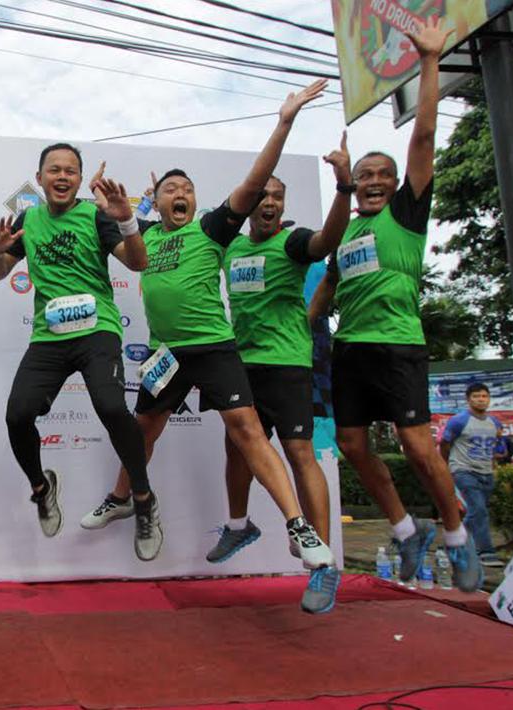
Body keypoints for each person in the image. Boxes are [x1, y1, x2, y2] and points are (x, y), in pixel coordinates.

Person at [89, 80, 337, 607]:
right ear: (154, 200)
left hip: (215, 347)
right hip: (166, 353)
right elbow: (127, 239)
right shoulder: (146, 237)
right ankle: (122, 498)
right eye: (169, 189)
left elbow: (252, 182)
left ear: (197, 200)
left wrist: (285, 121)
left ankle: (301, 529)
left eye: (187, 189)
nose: (180, 194)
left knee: (247, 431)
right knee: (143, 430)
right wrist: (126, 210)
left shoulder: (213, 229)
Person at [308, 18, 481, 593]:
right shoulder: (348, 235)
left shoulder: (406, 214)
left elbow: (424, 140)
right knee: (353, 445)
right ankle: (407, 531)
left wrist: (430, 61)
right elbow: (325, 294)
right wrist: (301, 330)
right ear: (353, 186)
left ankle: (457, 535)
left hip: (400, 347)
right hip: (353, 352)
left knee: (415, 444)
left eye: (383, 175)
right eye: (365, 177)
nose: (375, 182)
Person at [202, 132, 353, 614]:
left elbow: (328, 240)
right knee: (237, 447)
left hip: (287, 363)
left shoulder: (293, 240)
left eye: (277, 197)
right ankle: (239, 525)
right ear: (249, 204)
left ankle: (324, 564)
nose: (269, 203)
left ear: (283, 205)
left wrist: (344, 189)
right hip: (241, 363)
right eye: (263, 196)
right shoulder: (229, 249)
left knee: (298, 452)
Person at [0, 141, 158, 558]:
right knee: (17, 414)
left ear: (80, 179)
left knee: (113, 408)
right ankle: (42, 488)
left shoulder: (94, 216)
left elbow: (138, 264)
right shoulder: (28, 219)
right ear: (41, 176)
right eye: (54, 170)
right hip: (49, 337)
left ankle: (142, 500)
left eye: (70, 171)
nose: (62, 177)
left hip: (96, 329)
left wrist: (127, 223)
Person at [439, 383, 505, 567]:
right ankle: (485, 551)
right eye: (476, 396)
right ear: (468, 400)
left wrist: (495, 462)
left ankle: (456, 542)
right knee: (479, 510)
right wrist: (444, 464)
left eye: (484, 396)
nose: (481, 400)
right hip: (463, 470)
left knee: (477, 512)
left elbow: (499, 445)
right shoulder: (459, 421)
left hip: (485, 471)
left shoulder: (494, 423)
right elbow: (445, 443)